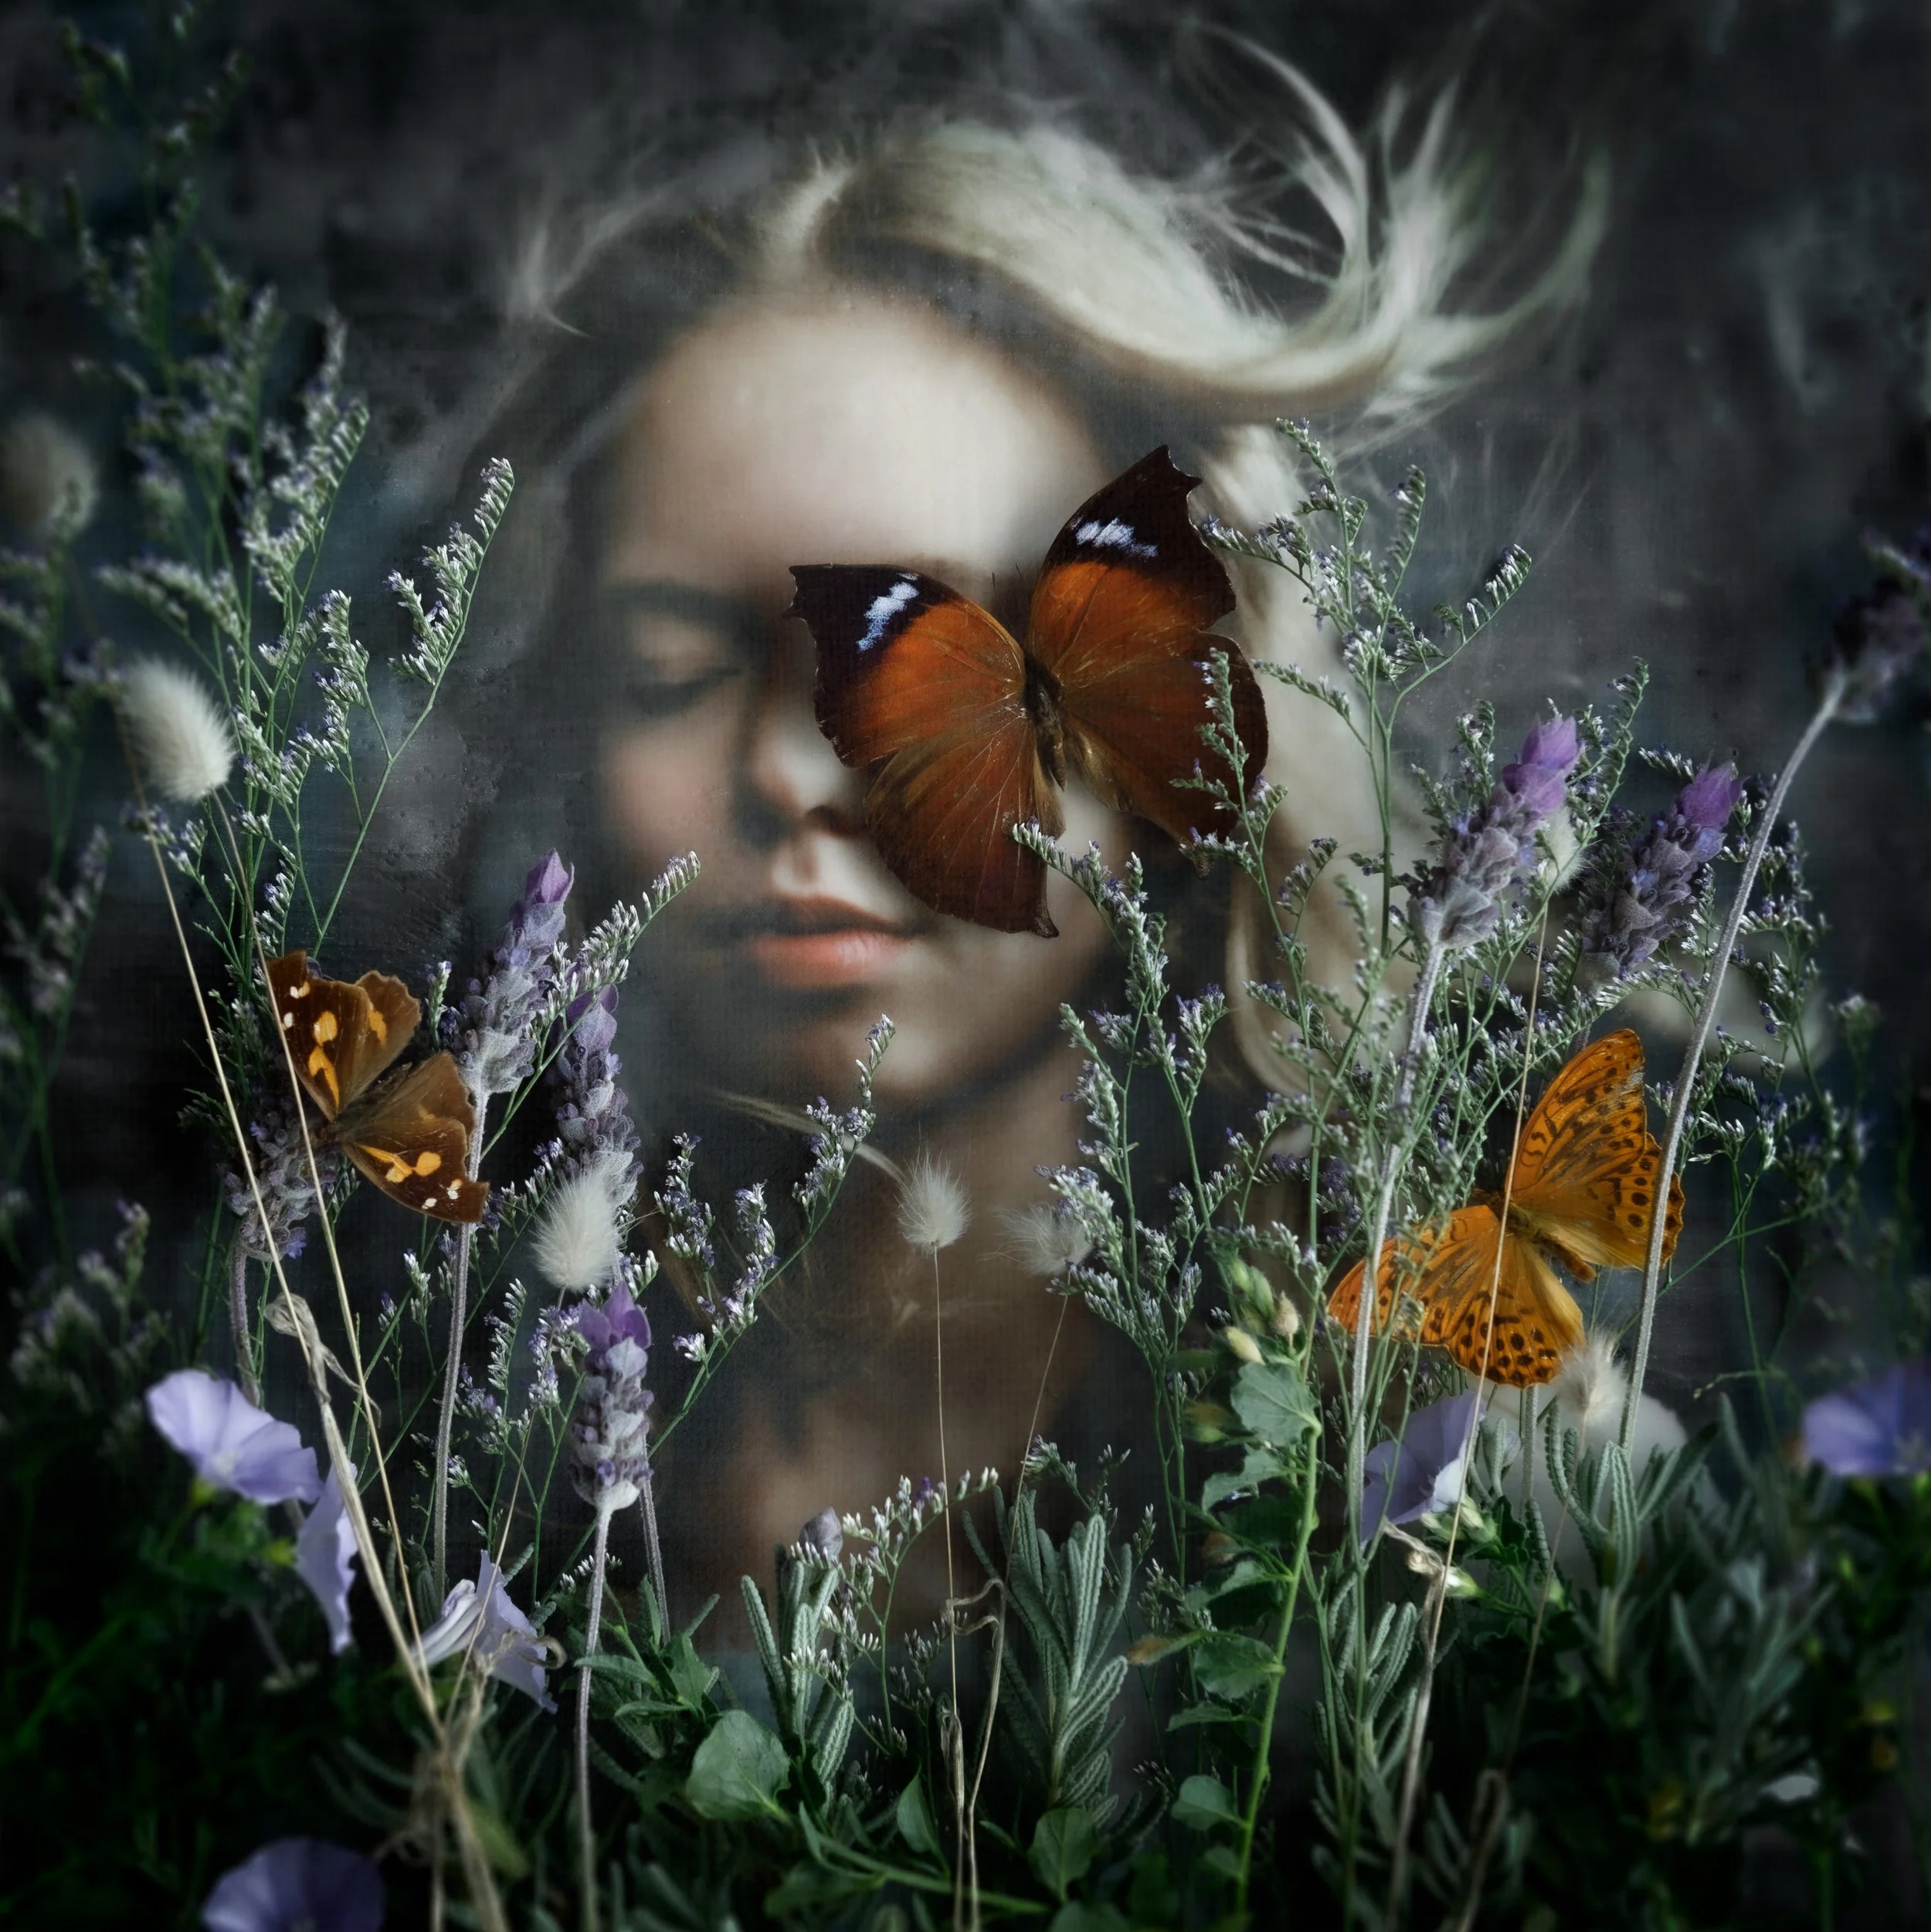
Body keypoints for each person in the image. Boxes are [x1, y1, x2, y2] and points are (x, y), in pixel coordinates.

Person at [463, 47, 1600, 1612]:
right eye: (673, 665)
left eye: (946, 659)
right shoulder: (410, 1405)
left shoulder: (1457, 1451)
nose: (798, 772)